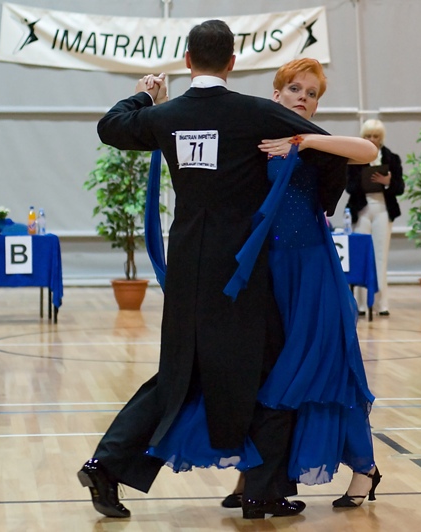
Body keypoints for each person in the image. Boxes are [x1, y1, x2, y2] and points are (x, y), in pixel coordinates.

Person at [77, 20, 347, 520]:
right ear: (231, 63)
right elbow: (328, 147)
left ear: (186, 61)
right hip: (240, 269)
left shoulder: (168, 117)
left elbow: (110, 127)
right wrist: (322, 199)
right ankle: (262, 490)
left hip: (186, 265)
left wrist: (143, 96)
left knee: (181, 372)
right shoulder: (255, 113)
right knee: (269, 368)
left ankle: (107, 464)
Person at [145, 58, 383, 510]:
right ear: (276, 94)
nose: (302, 98)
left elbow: (368, 152)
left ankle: (364, 468)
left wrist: (306, 138)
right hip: (262, 272)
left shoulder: (317, 145)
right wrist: (160, 107)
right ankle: (254, 477)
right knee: (258, 378)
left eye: (311, 93)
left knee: (324, 372)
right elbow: (199, 135)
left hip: (311, 273)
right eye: (294, 88)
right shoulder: (254, 136)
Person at [346, 119, 404, 316]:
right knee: (361, 256)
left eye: (375, 136)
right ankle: (361, 305)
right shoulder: (354, 157)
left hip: (383, 209)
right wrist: (364, 181)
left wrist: (388, 182)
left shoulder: (392, 158)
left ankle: (381, 304)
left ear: (381, 138)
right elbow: (349, 187)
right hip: (362, 209)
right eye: (368, 136)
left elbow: (400, 188)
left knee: (381, 257)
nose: (372, 139)